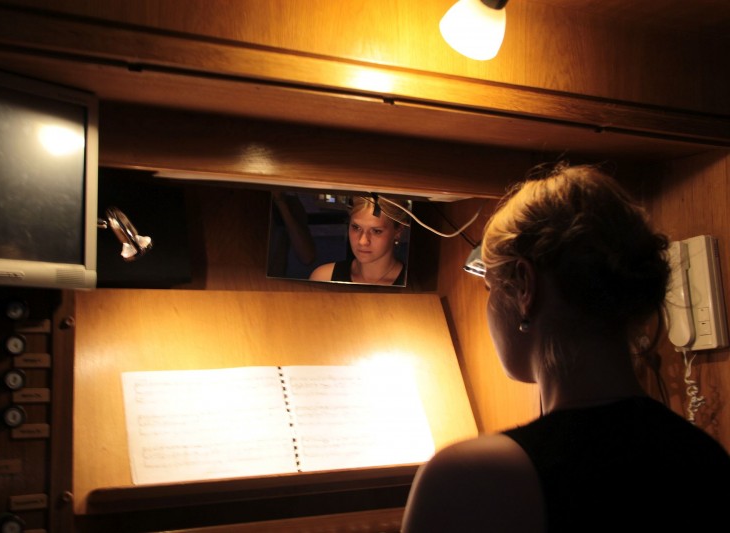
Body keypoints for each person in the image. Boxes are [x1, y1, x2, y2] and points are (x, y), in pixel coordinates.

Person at [401, 162, 730, 532]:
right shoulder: (706, 457)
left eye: (489, 287)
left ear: (524, 287)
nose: (489, 306)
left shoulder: (470, 478)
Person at [309, 195, 410, 286]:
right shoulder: (324, 278)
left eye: (376, 231)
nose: (362, 241)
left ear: (398, 232)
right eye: (356, 228)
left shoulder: (413, 286)